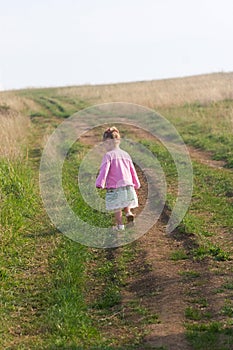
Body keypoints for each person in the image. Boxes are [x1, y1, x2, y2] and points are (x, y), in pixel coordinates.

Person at [96, 126, 140, 230]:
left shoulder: (108, 155)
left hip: (114, 186)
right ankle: (128, 212)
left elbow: (104, 171)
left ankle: (120, 225)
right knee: (126, 201)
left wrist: (100, 183)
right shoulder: (125, 154)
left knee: (117, 206)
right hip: (128, 185)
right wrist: (136, 183)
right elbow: (132, 170)